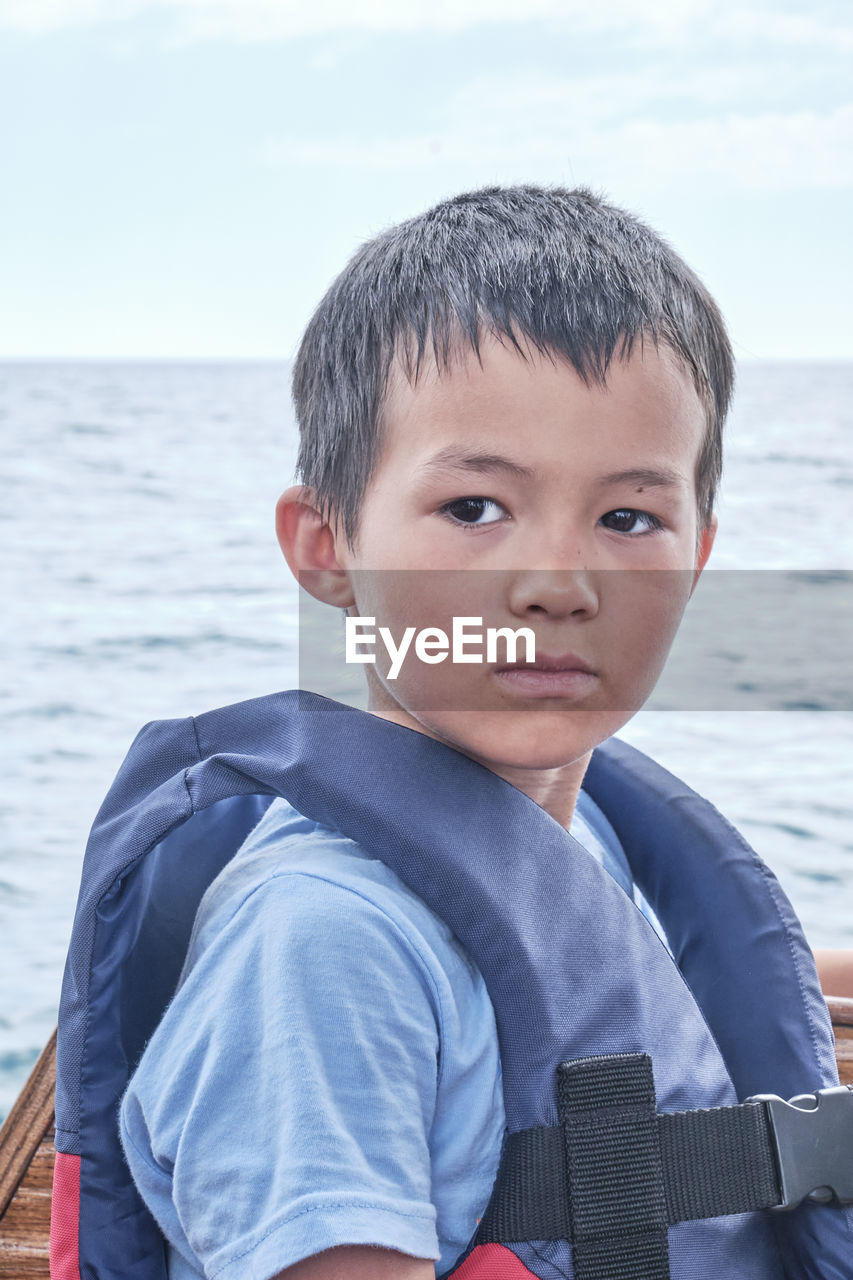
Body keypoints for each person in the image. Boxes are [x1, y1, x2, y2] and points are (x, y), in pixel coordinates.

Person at [114, 187, 847, 1280]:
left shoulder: (564, 828)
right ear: (327, 546)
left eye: (627, 519)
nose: (557, 582)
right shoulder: (320, 947)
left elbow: (600, 1010)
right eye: (474, 509)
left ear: (695, 559)